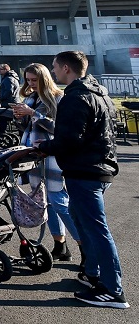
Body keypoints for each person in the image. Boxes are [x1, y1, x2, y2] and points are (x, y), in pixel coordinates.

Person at [36, 51, 128, 309]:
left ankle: (113, 290)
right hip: (100, 168)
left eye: (55, 67)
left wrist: (45, 147)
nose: (53, 72)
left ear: (66, 68)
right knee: (83, 221)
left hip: (85, 171)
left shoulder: (74, 97)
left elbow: (70, 139)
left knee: (97, 230)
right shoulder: (100, 93)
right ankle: (93, 273)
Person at [11, 63, 79, 263]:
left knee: (59, 202)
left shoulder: (58, 98)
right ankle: (60, 245)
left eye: (35, 80)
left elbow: (59, 128)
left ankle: (86, 246)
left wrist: (32, 114)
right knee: (46, 203)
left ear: (45, 79)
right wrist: (20, 116)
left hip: (52, 157)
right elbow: (28, 128)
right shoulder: (31, 98)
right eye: (28, 80)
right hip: (34, 156)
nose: (31, 84)